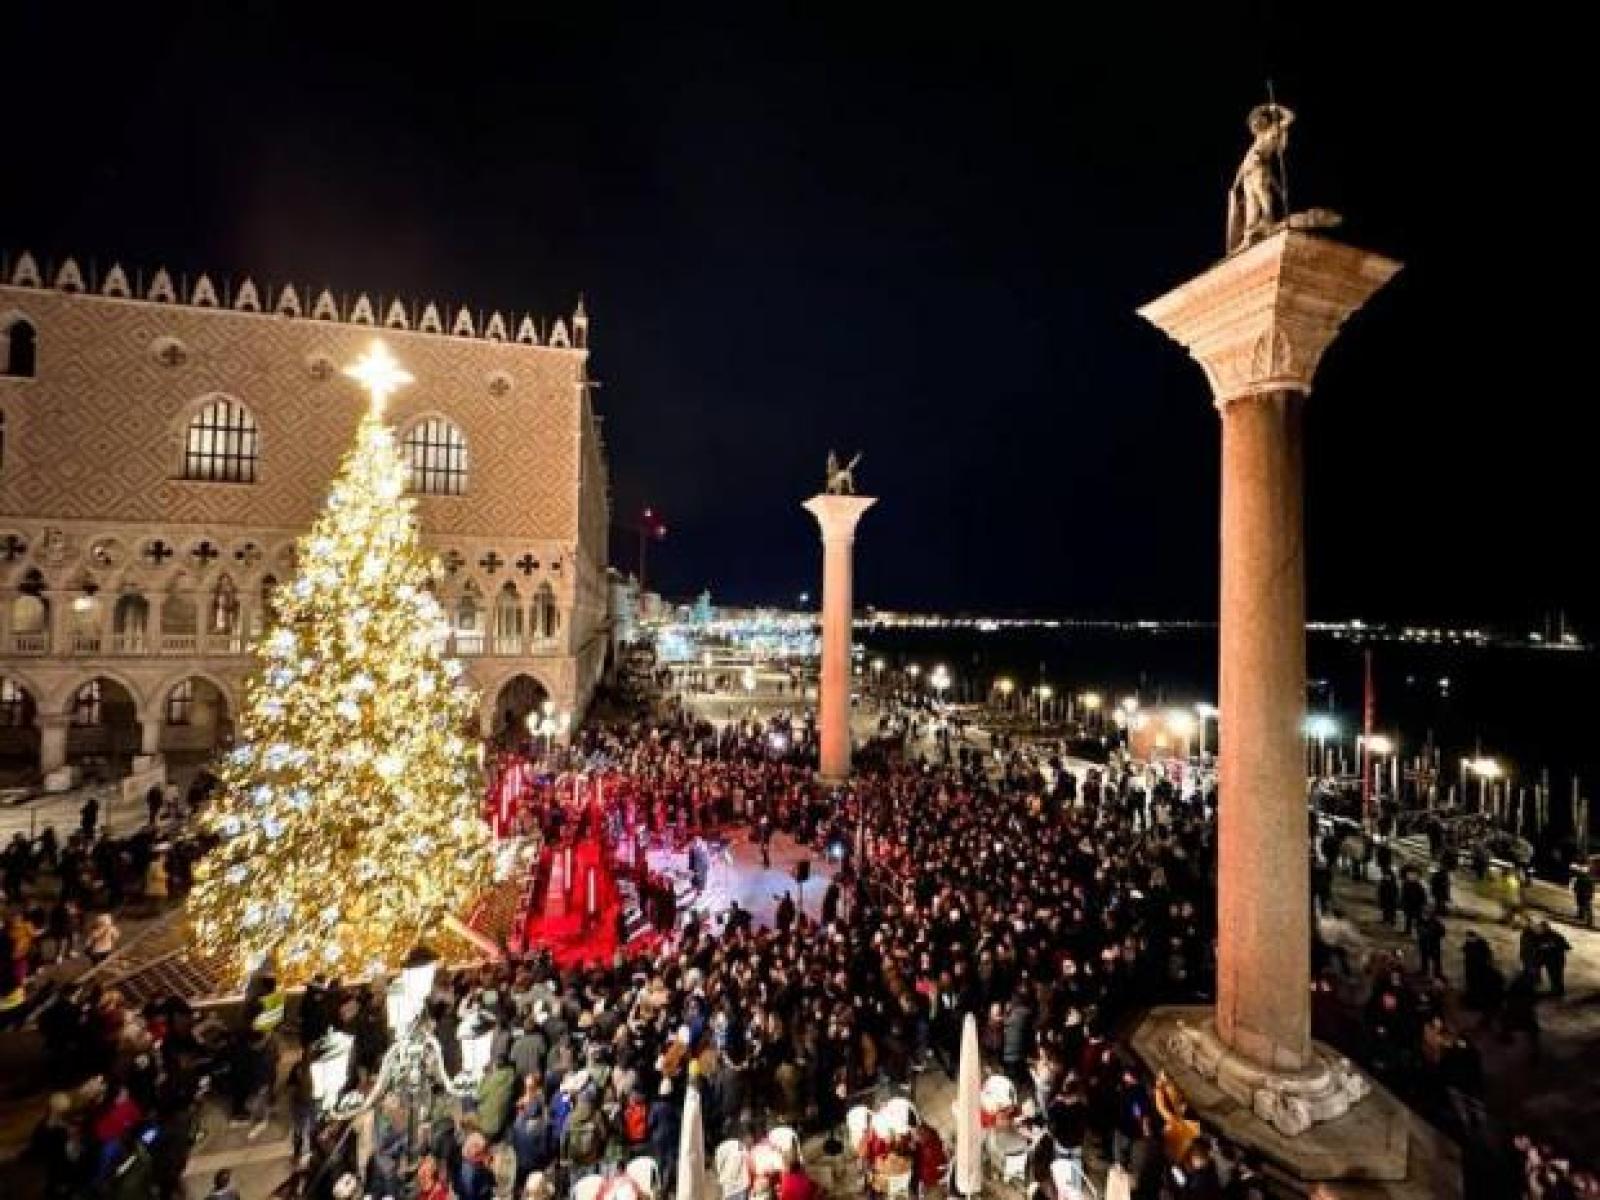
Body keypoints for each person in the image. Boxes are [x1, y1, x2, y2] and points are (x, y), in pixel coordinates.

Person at [1537, 922, 1571, 998]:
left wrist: (1553, 946)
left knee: (1557, 977)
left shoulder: (1556, 936)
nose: (1540, 930)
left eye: (1542, 928)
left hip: (1557, 961)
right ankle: (1556, 991)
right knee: (1553, 977)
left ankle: (1558, 992)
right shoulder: (1541, 937)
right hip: (1550, 962)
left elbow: (1567, 947)